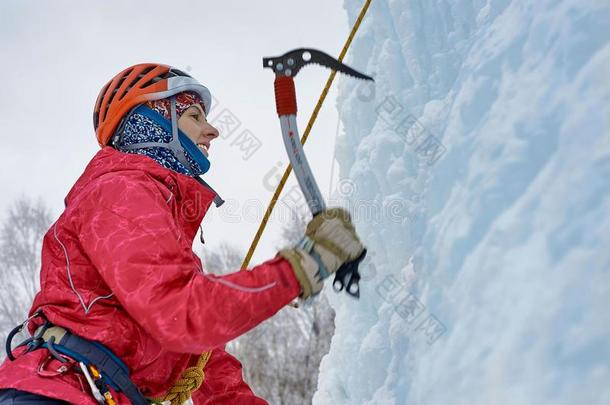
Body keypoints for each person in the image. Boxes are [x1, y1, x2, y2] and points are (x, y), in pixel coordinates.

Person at [0, 63, 365, 404]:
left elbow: (210, 369)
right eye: (194, 116)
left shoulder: (160, 225)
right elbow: (182, 313)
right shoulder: (120, 193)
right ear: (151, 124)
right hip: (51, 392)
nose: (213, 131)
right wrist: (302, 266)